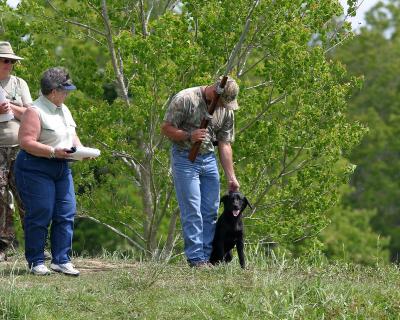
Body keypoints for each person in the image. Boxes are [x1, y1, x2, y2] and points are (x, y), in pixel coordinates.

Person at [161, 76, 240, 267]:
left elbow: (225, 143)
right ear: (215, 92)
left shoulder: (226, 111)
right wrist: (189, 135)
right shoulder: (185, 98)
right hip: (184, 158)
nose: (224, 107)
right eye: (222, 102)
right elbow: (166, 128)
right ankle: (196, 259)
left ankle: (208, 257)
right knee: (192, 210)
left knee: (211, 211)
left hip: (208, 159)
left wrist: (231, 176)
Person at [14, 67, 81, 276]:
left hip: (61, 167)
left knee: (66, 212)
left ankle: (61, 259)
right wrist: (53, 151)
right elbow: (26, 142)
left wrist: (82, 151)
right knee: (41, 212)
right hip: (35, 167)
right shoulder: (35, 111)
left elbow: (73, 136)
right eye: (65, 90)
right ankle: (36, 260)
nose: (67, 94)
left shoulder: (64, 109)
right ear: (53, 90)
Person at [0, 41, 33, 262]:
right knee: (1, 196)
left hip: (20, 148)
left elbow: (31, 114)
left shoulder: (20, 84)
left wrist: (12, 107)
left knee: (25, 194)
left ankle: (35, 244)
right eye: (5, 60)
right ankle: (3, 245)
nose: (9, 64)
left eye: (12, 61)